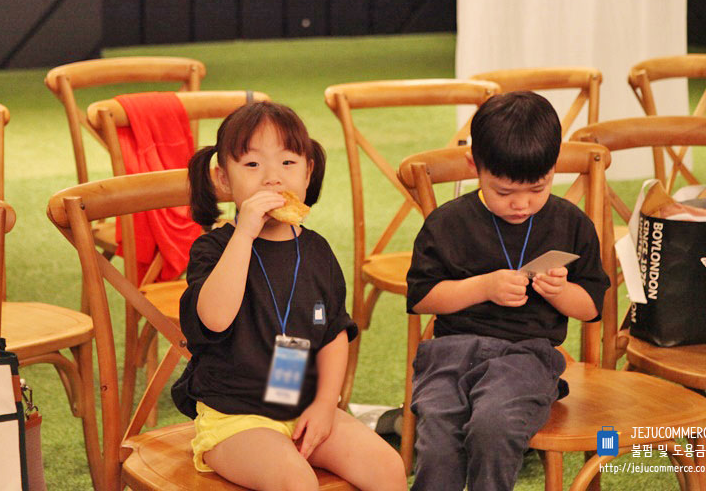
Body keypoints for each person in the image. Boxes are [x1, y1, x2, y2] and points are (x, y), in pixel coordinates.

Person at [172, 101, 406, 491]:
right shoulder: (215, 248)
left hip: (303, 407)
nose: (272, 179)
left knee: (388, 467)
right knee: (296, 480)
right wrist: (244, 233)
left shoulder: (316, 251)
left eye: (287, 163)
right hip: (235, 419)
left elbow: (333, 333)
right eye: (252, 164)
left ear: (308, 171)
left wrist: (325, 403)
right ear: (223, 179)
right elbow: (214, 318)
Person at [406, 91, 610, 491]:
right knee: (439, 441)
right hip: (451, 353)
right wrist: (483, 287)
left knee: (493, 425)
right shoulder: (448, 223)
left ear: (553, 167)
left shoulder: (571, 224)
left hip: (528, 355)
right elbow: (422, 297)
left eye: (537, 188)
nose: (521, 204)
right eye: (503, 192)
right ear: (474, 165)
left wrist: (559, 292)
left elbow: (590, 307)